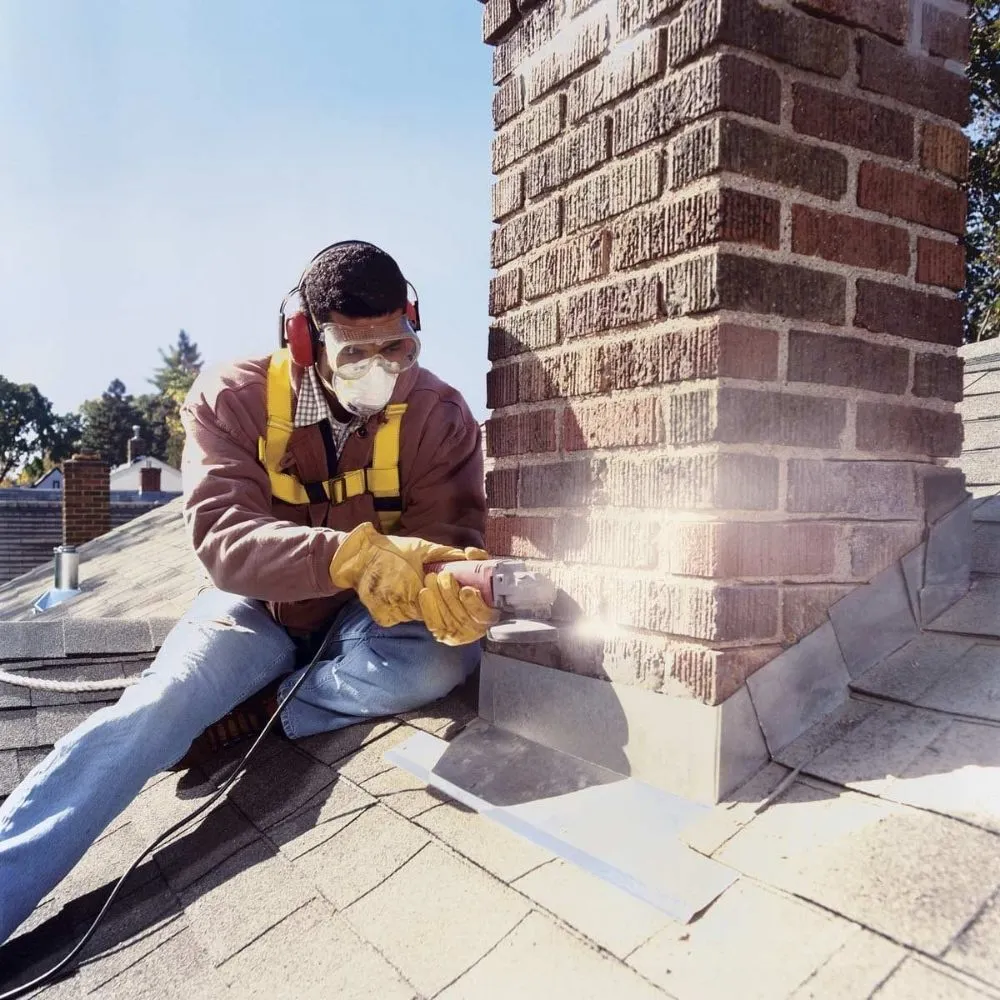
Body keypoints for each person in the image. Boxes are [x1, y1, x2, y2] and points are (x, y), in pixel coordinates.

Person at [0, 240, 492, 944]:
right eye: (357, 352)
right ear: (302, 338)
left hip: (364, 620)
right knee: (160, 706)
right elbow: (225, 542)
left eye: (398, 348)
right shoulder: (234, 397)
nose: (383, 370)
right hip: (255, 608)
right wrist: (349, 556)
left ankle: (263, 710)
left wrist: (452, 591)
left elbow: (447, 548)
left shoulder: (438, 416)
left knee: (443, 662)